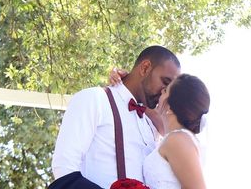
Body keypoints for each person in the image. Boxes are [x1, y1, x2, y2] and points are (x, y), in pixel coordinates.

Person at [50, 46, 181, 189]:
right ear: (145, 68)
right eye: (165, 82)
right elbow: (64, 168)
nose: (165, 92)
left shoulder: (150, 123)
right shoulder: (95, 98)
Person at [142, 74, 209, 189]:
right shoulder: (175, 139)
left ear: (170, 106)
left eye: (165, 91)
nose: (160, 92)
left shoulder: (178, 140)